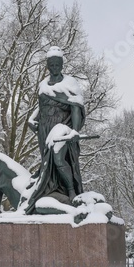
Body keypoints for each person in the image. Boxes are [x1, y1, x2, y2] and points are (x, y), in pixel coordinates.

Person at [24, 47, 87, 214]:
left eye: (57, 64)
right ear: (47, 66)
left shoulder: (69, 83)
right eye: (51, 64)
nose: (54, 67)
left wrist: (74, 131)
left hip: (62, 127)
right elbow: (41, 106)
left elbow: (76, 107)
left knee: (58, 159)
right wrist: (32, 119)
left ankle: (71, 190)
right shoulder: (43, 84)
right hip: (44, 128)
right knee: (47, 162)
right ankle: (52, 189)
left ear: (62, 65)